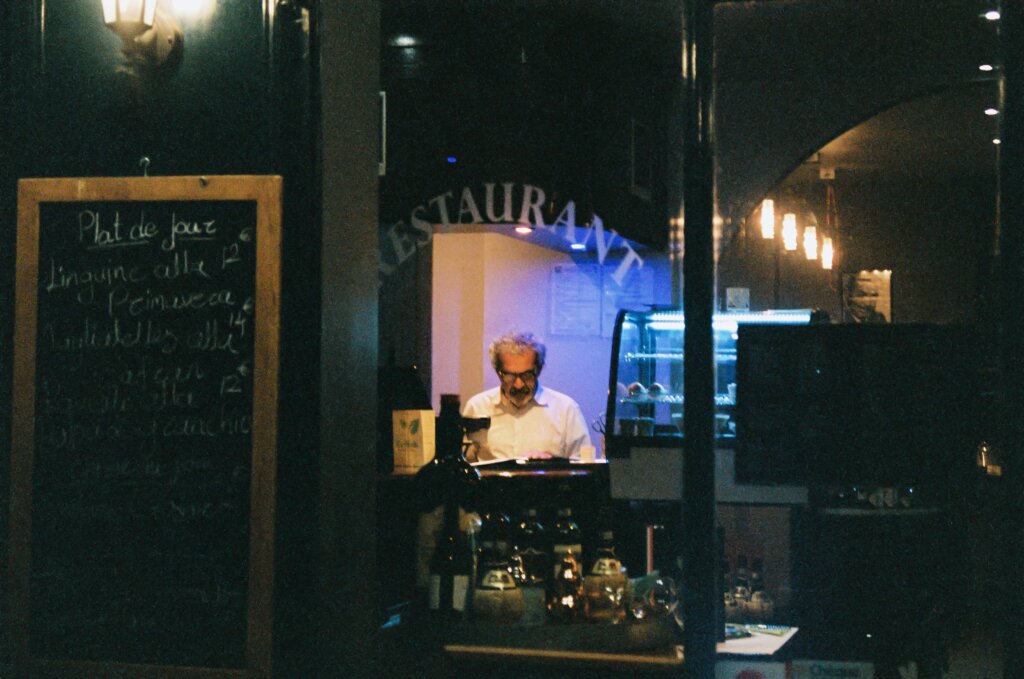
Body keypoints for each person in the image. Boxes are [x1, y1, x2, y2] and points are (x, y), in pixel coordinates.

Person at [462, 330, 592, 460]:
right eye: (510, 376)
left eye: (527, 375)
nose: (519, 385)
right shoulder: (477, 407)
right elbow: (464, 462)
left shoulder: (566, 409)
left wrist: (551, 462)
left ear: (539, 370)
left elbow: (583, 466)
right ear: (498, 372)